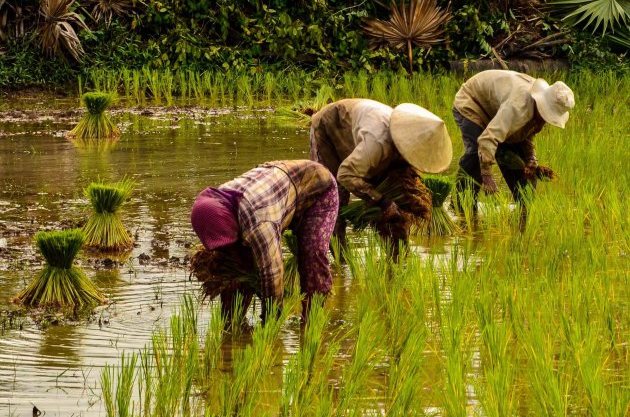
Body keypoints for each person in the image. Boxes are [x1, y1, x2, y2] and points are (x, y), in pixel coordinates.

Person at [190, 159, 338, 322]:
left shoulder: (259, 221)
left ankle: (312, 319)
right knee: (238, 265)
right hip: (277, 190)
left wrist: (271, 319)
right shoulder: (214, 204)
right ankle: (232, 323)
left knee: (311, 254)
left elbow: (272, 272)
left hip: (317, 188)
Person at [309, 98, 452, 240]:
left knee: (395, 210)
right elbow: (345, 175)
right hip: (330, 126)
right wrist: (383, 202)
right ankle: (339, 255)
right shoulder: (377, 143)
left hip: (362, 128)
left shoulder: (404, 142)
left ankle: (396, 253)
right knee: (335, 198)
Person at [452, 70, 574, 208]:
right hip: (473, 102)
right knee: (475, 156)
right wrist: (487, 176)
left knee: (522, 171)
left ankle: (522, 213)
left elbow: (525, 134)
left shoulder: (533, 112)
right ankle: (460, 205)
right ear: (541, 104)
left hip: (499, 110)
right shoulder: (518, 107)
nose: (544, 122)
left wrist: (531, 158)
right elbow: (487, 139)